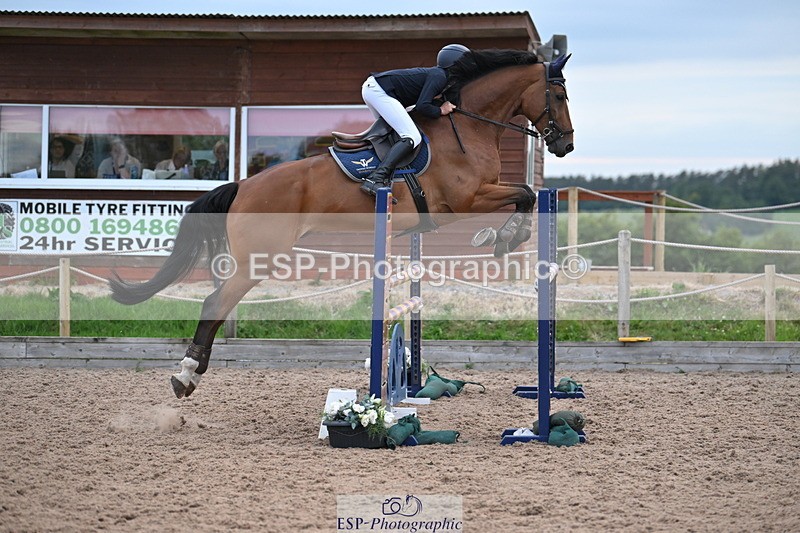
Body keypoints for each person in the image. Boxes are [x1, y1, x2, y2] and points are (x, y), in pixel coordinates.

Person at [358, 43, 469, 197]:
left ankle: (385, 174)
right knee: (412, 136)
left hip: (375, 89)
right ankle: (375, 178)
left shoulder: (442, 78)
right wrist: (440, 110)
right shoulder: (439, 76)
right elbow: (423, 106)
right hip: (379, 91)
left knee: (393, 135)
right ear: (456, 65)